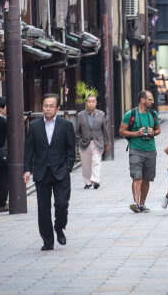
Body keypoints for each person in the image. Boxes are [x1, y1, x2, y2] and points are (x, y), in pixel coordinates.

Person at [23, 93, 76, 251]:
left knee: (62, 204)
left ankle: (59, 227)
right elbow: (28, 150)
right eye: (45, 105)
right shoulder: (34, 126)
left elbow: (71, 150)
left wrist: (67, 168)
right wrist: (27, 170)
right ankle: (48, 241)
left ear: (57, 108)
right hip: (41, 172)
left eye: (51, 106)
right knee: (43, 209)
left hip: (61, 171)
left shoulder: (66, 125)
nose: (48, 109)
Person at [119, 90, 161, 213]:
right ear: (143, 100)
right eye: (150, 99)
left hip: (151, 149)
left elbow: (158, 129)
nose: (152, 101)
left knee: (147, 178)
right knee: (137, 177)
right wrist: (136, 133)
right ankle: (136, 203)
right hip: (135, 149)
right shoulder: (130, 114)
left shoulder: (153, 114)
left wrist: (154, 132)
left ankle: (142, 204)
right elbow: (121, 131)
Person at [74, 95, 110, 189]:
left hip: (97, 142)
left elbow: (104, 130)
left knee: (96, 161)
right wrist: (78, 141)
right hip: (84, 143)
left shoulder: (101, 114)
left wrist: (106, 143)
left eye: (93, 101)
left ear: (96, 103)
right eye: (89, 102)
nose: (91, 103)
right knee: (86, 165)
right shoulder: (80, 115)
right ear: (86, 103)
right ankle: (88, 182)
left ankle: (95, 180)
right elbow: (77, 130)